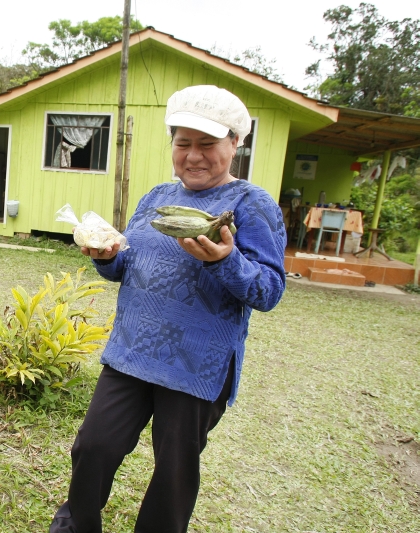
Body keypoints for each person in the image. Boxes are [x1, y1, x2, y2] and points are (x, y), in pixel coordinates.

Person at [49, 85, 287, 533]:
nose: (193, 156)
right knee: (93, 448)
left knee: (174, 472)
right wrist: (107, 256)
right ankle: (75, 527)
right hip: (132, 352)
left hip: (196, 366)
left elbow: (269, 291)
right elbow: (129, 264)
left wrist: (226, 261)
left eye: (207, 144)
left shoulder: (252, 206)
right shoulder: (156, 195)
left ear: (235, 143)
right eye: (183, 143)